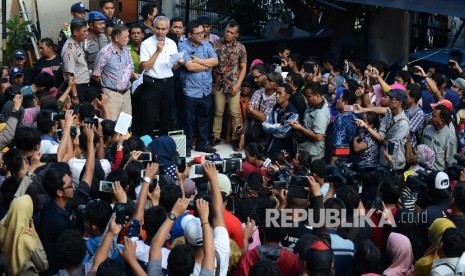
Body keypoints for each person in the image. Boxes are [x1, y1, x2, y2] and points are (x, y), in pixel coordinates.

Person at [178, 20, 219, 156]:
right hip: (190, 90)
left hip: (205, 89)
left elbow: (215, 61)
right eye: (198, 33)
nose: (202, 35)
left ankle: (202, 145)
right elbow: (189, 66)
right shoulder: (183, 46)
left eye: (203, 32)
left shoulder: (207, 45)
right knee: (188, 121)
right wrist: (206, 65)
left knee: (204, 118)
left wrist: (199, 61)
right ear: (189, 34)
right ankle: (187, 147)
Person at [138, 16, 183, 137]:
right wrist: (157, 51)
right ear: (153, 28)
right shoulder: (146, 44)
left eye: (163, 29)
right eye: (157, 28)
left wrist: (179, 62)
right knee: (148, 118)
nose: (160, 31)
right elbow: (144, 67)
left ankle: (163, 147)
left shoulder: (172, 43)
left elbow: (173, 68)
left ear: (168, 29)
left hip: (168, 83)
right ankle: (146, 148)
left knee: (166, 118)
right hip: (151, 83)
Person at [212, 20, 247, 150]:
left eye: (231, 32)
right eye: (227, 31)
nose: (228, 34)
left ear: (236, 34)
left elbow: (243, 67)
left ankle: (235, 138)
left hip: (233, 84)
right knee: (218, 111)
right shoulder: (216, 44)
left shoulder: (241, 47)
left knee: (234, 112)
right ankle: (216, 136)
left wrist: (238, 85)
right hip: (219, 83)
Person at [355, 89, 409, 172]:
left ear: (399, 102)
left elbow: (392, 145)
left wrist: (366, 127)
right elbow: (380, 136)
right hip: (382, 160)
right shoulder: (389, 115)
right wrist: (365, 124)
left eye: (391, 99)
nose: (389, 100)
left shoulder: (403, 124)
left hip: (394, 164)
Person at [93, 24, 135, 121]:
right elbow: (96, 75)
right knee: (110, 125)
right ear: (116, 38)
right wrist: (107, 87)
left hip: (126, 93)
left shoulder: (126, 50)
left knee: (125, 125)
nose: (128, 39)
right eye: (126, 37)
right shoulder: (105, 52)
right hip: (111, 94)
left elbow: (130, 67)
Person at [0, 195, 48, 275]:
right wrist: (35, 237)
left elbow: (15, 208)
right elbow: (44, 265)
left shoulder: (3, 227)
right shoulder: (27, 239)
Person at [290, 81, 331, 161]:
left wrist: (300, 128)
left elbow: (318, 137)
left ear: (317, 95)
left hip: (313, 154)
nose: (306, 99)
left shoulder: (320, 113)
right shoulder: (312, 105)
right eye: (305, 97)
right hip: (304, 149)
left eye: (308, 97)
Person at [262, 83, 298, 157]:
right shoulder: (275, 107)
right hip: (269, 145)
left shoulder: (293, 113)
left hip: (282, 151)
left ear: (287, 96)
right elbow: (264, 125)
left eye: (280, 93)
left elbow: (283, 133)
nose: (277, 96)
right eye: (276, 93)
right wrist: (277, 126)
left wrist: (271, 128)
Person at [61, 17, 90, 103]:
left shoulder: (78, 43)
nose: (87, 33)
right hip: (77, 88)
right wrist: (75, 96)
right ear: (75, 32)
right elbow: (70, 74)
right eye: (84, 31)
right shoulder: (69, 49)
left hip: (84, 86)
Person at [422, 103, 457, 171]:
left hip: (436, 174)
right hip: (422, 169)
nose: (430, 117)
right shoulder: (427, 128)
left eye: (434, 116)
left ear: (441, 121)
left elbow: (451, 163)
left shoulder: (450, 137)